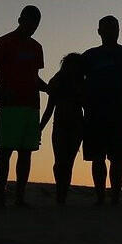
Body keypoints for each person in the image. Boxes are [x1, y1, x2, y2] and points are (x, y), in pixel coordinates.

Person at [81, 16, 122, 205]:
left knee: (117, 158)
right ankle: (100, 197)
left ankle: (115, 197)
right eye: (107, 29)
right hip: (94, 113)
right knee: (97, 157)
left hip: (119, 113)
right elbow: (77, 81)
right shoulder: (89, 56)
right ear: (99, 32)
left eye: (114, 28)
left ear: (119, 30)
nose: (111, 32)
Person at [0, 6, 48, 203]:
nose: (32, 27)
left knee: (26, 152)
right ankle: (1, 194)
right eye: (30, 22)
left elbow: (34, 76)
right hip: (10, 105)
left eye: (36, 24)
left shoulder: (36, 47)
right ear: (20, 20)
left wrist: (47, 88)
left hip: (31, 105)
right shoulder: (4, 42)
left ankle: (19, 196)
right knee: (5, 149)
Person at [38, 53, 85, 205]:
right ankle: (60, 191)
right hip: (61, 124)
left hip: (76, 125)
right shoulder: (58, 81)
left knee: (68, 162)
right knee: (60, 161)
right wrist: (40, 127)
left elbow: (87, 105)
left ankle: (62, 194)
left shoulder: (82, 82)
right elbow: (49, 107)